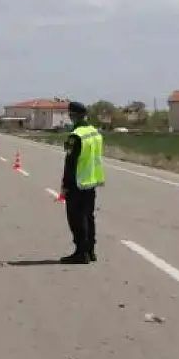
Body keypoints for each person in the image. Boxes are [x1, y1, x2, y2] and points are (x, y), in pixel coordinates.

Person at [58, 101, 104, 264]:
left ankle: (81, 253)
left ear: (73, 115)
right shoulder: (95, 132)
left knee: (76, 219)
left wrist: (64, 185)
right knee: (88, 217)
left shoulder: (76, 135)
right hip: (91, 181)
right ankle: (90, 251)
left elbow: (70, 163)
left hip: (77, 182)